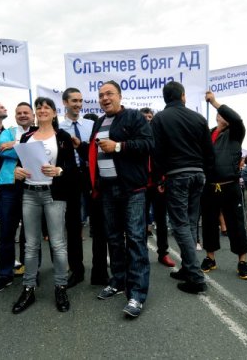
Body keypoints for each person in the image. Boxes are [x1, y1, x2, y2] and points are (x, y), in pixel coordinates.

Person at [79, 80, 154, 318]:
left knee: (135, 239)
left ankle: (137, 295)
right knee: (113, 239)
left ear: (119, 96)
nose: (104, 98)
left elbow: (148, 144)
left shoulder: (134, 117)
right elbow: (95, 151)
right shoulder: (99, 122)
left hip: (131, 189)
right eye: (101, 95)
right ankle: (118, 281)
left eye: (109, 94)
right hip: (107, 190)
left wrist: (119, 147)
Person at [11, 97, 78, 314]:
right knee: (31, 245)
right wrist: (17, 172)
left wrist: (59, 171)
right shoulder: (26, 136)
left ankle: (60, 286)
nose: (42, 110)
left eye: (46, 107)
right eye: (38, 107)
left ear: (54, 113)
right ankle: (28, 288)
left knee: (57, 244)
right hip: (30, 193)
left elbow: (71, 168)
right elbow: (20, 164)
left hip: (54, 194)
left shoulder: (63, 137)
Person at [151, 82, 214, 294]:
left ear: (165, 98)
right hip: (198, 174)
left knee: (180, 225)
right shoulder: (198, 118)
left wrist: (159, 179)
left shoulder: (160, 118)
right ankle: (188, 268)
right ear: (183, 96)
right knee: (189, 223)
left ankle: (195, 277)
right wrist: (204, 172)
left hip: (177, 175)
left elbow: (156, 152)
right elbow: (208, 151)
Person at [199, 91, 247, 280]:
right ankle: (210, 258)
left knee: (236, 223)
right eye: (218, 113)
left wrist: (214, 102)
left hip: (230, 186)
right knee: (209, 223)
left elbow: (236, 119)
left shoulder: (236, 132)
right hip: (210, 186)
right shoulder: (209, 133)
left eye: (224, 114)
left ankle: (242, 262)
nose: (221, 115)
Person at [0, 102, 34, 292]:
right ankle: (5, 274)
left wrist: (16, 144)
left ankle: (31, 271)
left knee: (30, 233)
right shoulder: (7, 132)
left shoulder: (39, 131)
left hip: (32, 185)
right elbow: (2, 150)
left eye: (26, 112)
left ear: (32, 115)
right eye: (19, 113)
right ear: (15, 116)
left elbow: (39, 151)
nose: (23, 115)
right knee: (7, 232)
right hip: (9, 186)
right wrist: (22, 146)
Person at [58, 87, 93, 288]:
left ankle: (100, 270)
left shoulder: (91, 124)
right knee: (73, 226)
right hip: (70, 179)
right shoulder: (59, 129)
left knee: (98, 224)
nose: (78, 104)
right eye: (74, 101)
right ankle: (76, 270)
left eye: (80, 101)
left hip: (92, 178)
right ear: (65, 102)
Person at [141, 106, 175, 268]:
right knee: (139, 222)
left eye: (150, 116)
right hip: (139, 185)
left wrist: (162, 179)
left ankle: (163, 253)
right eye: (145, 116)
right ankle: (140, 255)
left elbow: (165, 159)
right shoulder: (136, 136)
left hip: (157, 185)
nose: (148, 118)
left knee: (161, 220)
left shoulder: (159, 137)